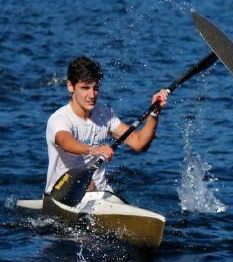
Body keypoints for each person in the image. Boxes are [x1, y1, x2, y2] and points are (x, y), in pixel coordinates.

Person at [45, 56, 169, 197]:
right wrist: (93, 150)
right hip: (63, 195)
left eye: (95, 88)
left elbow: (139, 143)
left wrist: (154, 113)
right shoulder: (60, 119)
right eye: (85, 88)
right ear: (70, 86)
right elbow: (66, 142)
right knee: (88, 186)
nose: (92, 95)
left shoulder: (104, 114)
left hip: (101, 196)